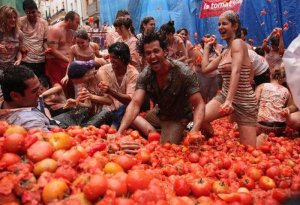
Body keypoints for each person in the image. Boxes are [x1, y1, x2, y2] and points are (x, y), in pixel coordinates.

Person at [117, 31, 205, 144]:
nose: (152, 56)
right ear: (144, 57)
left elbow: (199, 104)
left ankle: (187, 127)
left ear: (165, 52)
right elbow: (135, 103)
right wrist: (119, 132)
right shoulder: (145, 75)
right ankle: (158, 132)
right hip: (160, 113)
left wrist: (194, 131)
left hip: (179, 116)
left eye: (156, 51)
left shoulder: (184, 72)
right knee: (129, 118)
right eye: (148, 53)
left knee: (166, 146)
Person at [200, 10, 258, 146]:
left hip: (244, 102)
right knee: (199, 117)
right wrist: (207, 48)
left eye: (224, 24)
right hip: (225, 96)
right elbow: (205, 69)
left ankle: (262, 139)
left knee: (249, 149)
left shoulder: (238, 43)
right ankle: (212, 138)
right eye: (219, 24)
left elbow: (236, 70)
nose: (220, 27)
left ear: (235, 26)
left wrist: (229, 101)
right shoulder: (225, 51)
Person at [98, 42, 153, 134]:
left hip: (128, 110)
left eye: (114, 58)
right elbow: (108, 100)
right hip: (109, 111)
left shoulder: (134, 74)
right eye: (111, 57)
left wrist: (110, 91)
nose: (111, 60)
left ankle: (153, 135)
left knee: (128, 113)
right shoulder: (103, 70)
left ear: (123, 58)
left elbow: (130, 101)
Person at [54, 60, 113, 128]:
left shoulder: (100, 74)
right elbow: (89, 105)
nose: (77, 84)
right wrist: (77, 103)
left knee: (86, 128)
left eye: (76, 81)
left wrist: (91, 96)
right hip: (98, 111)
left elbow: (110, 101)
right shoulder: (85, 82)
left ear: (84, 75)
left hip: (111, 110)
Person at [0, 65, 54, 131]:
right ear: (15, 96)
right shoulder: (31, 123)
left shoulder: (8, 98)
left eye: (39, 88)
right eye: (34, 91)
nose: (40, 94)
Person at [45, 11, 80, 98]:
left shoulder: (72, 32)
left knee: (72, 88)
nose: (78, 25)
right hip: (55, 63)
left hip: (67, 63)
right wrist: (69, 60)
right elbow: (53, 50)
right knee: (61, 90)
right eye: (77, 22)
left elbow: (72, 47)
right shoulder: (55, 29)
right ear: (69, 20)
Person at [255, 66, 295, 136]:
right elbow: (292, 107)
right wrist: (287, 109)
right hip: (280, 128)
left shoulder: (262, 86)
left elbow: (253, 104)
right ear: (283, 79)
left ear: (270, 75)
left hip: (261, 126)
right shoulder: (286, 91)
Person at [19, 0, 48, 78]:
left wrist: (47, 49)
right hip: (26, 60)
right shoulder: (20, 21)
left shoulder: (44, 23)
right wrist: (21, 48)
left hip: (41, 59)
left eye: (33, 12)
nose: (31, 15)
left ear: (37, 10)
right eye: (28, 13)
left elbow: (44, 41)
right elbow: (18, 39)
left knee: (41, 83)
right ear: (25, 12)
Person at [0, 6, 25, 75]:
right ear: (3, 19)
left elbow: (20, 51)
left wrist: (19, 60)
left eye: (15, 17)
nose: (13, 20)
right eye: (9, 18)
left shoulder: (19, 34)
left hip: (12, 68)